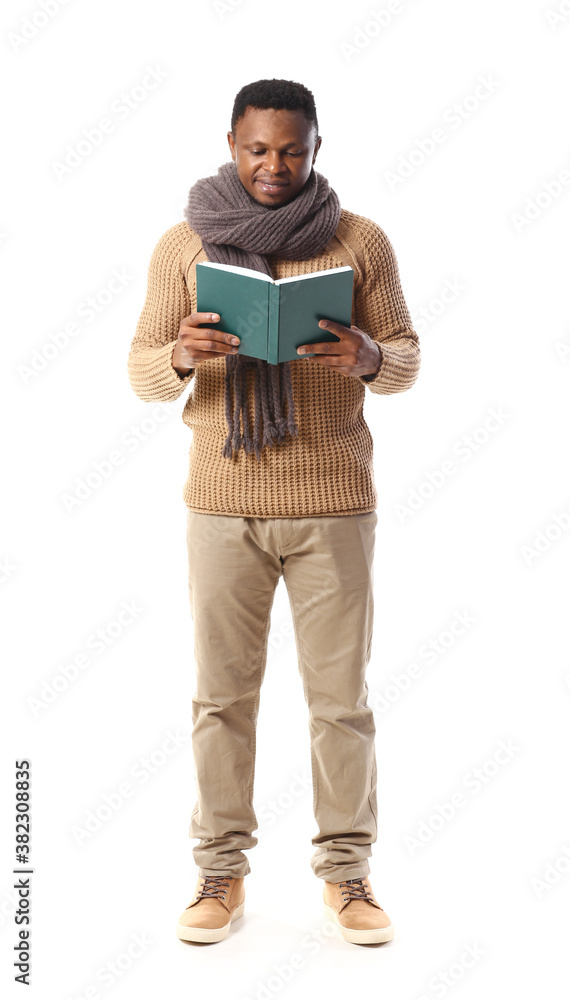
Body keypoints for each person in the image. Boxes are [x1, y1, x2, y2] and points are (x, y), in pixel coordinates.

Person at [127, 77, 421, 947]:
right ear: (231, 143)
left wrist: (369, 356)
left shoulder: (358, 241)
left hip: (333, 503)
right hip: (222, 504)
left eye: (292, 149)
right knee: (221, 698)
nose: (274, 165)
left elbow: (407, 356)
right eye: (258, 149)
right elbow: (139, 368)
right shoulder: (185, 245)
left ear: (317, 148)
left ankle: (348, 874)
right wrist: (179, 353)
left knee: (341, 702)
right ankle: (220, 872)